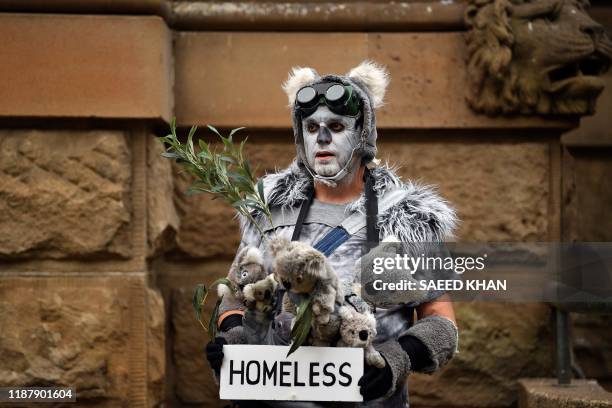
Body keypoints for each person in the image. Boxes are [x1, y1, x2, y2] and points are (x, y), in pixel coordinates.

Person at [205, 60, 459, 407]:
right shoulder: (269, 209)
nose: (322, 138)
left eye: (337, 126)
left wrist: (396, 359)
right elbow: (235, 295)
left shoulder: (406, 218)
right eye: (311, 128)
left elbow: (441, 322)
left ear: (363, 133)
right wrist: (232, 336)